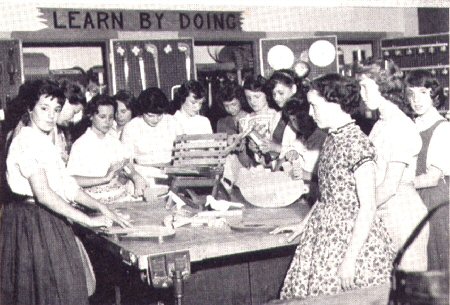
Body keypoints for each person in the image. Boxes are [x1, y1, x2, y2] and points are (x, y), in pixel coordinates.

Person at [1, 79, 130, 305]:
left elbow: (67, 184)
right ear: (30, 108)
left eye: (56, 109)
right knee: (49, 293)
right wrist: (86, 220)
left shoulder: (45, 140)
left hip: (48, 218)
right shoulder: (26, 141)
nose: (51, 115)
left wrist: (101, 207)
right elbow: (43, 194)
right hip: (31, 223)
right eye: (44, 108)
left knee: (65, 290)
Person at [271, 74, 395, 300]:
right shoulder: (332, 138)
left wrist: (349, 260)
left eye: (314, 106)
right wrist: (303, 224)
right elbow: (329, 192)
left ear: (336, 104)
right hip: (325, 232)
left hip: (351, 240)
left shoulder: (357, 145)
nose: (309, 113)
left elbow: (368, 207)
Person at [355, 59, 429, 271]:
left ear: (384, 87)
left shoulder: (400, 126)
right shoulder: (381, 123)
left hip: (403, 218)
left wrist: (357, 212)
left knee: (409, 294)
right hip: (384, 214)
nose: (362, 93)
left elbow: (388, 187)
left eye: (365, 86)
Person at [405, 69, 449, 271]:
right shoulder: (410, 126)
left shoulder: (442, 128)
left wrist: (399, 184)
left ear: (434, 95)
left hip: (435, 202)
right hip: (413, 199)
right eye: (411, 93)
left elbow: (432, 178)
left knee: (437, 261)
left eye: (423, 92)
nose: (416, 99)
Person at [66, 94, 148, 203]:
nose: (107, 121)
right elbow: (71, 179)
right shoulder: (81, 144)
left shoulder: (114, 141)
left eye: (111, 117)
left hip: (118, 197)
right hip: (93, 201)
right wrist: (104, 179)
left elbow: (126, 165)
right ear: (91, 116)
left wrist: (135, 176)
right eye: (102, 117)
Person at [121, 87, 179, 184]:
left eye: (159, 115)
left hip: (171, 173)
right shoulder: (131, 127)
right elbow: (125, 162)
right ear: (142, 111)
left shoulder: (172, 122)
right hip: (143, 175)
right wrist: (135, 177)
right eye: (150, 115)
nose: (155, 120)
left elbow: (183, 152)